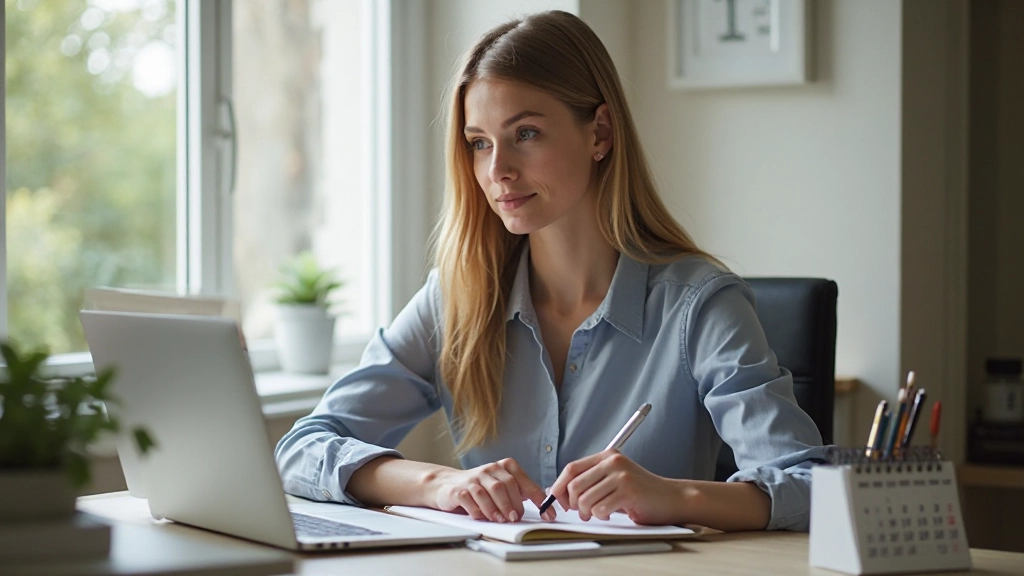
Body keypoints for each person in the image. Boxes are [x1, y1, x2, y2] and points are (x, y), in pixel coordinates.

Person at [275, 10, 827, 532]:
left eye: (526, 134)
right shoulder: (457, 297)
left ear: (600, 134)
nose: (498, 171)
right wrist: (438, 483)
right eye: (479, 143)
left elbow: (810, 484)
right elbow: (301, 449)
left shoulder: (700, 306)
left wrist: (672, 495)